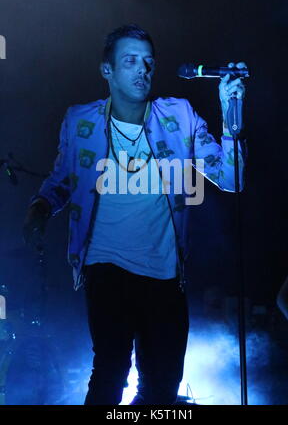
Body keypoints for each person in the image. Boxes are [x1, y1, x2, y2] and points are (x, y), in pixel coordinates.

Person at [23, 24, 247, 405]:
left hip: (165, 272)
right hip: (105, 265)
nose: (142, 69)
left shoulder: (179, 115)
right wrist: (40, 208)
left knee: (162, 384)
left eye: (147, 62)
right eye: (130, 61)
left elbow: (232, 178)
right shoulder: (81, 121)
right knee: (110, 368)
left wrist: (231, 114)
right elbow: (62, 179)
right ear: (106, 70)